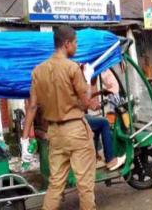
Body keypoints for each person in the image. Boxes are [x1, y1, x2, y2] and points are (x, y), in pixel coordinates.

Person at [21, 25, 96, 210]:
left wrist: (24, 138)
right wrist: (87, 79)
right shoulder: (72, 68)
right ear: (67, 43)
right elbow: (86, 103)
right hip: (76, 130)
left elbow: (32, 106)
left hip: (53, 132)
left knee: (55, 184)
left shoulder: (38, 71)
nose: (77, 47)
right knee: (85, 185)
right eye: (76, 43)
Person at [85, 76, 125, 171]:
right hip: (78, 118)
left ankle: (95, 156)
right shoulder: (76, 78)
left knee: (99, 123)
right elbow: (84, 102)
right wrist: (94, 105)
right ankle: (110, 158)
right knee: (104, 122)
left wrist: (100, 93)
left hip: (79, 116)